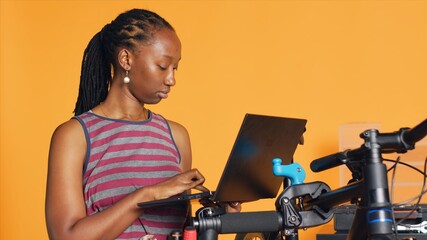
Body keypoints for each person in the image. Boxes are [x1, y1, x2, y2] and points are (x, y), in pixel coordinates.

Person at [45, 8, 240, 240]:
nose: (172, 79)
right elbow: (66, 236)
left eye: (175, 68)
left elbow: (181, 230)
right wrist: (148, 195)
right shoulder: (74, 136)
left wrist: (220, 215)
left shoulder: (176, 136)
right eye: (162, 66)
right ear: (126, 59)